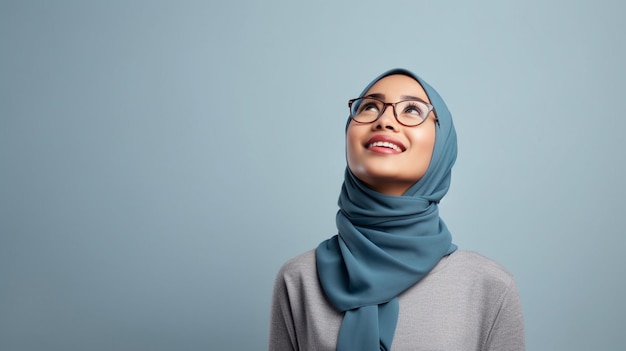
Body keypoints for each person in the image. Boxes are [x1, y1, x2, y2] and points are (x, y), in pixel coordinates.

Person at [268, 68, 525, 351]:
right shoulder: (298, 279)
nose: (385, 120)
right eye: (369, 107)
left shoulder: (489, 287)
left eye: (412, 110)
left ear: (442, 145)